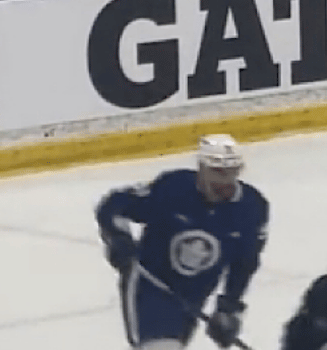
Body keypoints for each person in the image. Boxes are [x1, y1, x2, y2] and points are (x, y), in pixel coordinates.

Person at [95, 134, 269, 349]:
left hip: (195, 295)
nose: (224, 180)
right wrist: (118, 239)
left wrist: (229, 308)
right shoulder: (173, 188)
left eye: (231, 172)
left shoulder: (252, 207)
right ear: (201, 168)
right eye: (217, 172)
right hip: (149, 287)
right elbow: (114, 206)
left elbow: (245, 262)